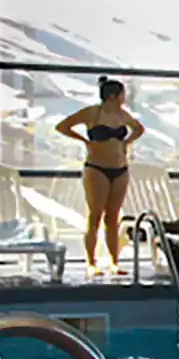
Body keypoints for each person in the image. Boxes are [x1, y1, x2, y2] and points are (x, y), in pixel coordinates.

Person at [55, 77, 145, 276]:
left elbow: (139, 129)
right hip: (97, 168)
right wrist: (84, 140)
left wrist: (127, 142)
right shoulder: (92, 113)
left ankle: (114, 261)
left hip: (120, 168)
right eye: (122, 95)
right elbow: (62, 126)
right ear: (112, 96)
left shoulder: (122, 115)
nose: (124, 98)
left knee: (113, 217)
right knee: (95, 215)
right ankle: (91, 262)